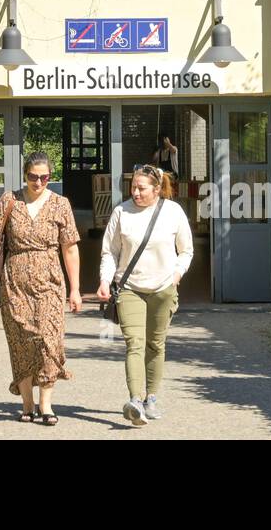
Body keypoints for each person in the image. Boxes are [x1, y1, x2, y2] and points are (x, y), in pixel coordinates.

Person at [0, 152, 82, 425]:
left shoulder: (60, 204)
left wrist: (75, 288)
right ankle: (27, 402)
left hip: (50, 283)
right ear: (25, 175)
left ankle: (46, 404)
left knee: (49, 339)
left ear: (50, 177)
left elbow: (70, 248)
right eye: (33, 176)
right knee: (21, 342)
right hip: (14, 283)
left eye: (44, 177)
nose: (39, 182)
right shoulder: (10, 201)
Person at [98, 164, 193, 426]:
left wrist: (176, 276)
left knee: (156, 344)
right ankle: (135, 401)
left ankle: (152, 397)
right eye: (133, 188)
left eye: (141, 188)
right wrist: (105, 280)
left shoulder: (173, 212)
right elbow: (110, 251)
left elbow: (186, 250)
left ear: (157, 189)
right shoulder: (121, 212)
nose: (136, 193)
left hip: (163, 289)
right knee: (135, 343)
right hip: (129, 288)